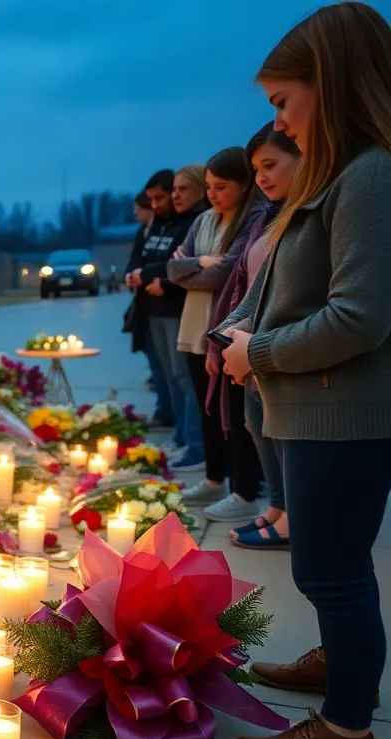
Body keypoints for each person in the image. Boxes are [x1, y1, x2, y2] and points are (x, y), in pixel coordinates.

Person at [222, 1, 391, 739]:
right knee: (332, 565)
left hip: (341, 414)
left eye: (285, 103)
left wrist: (261, 353)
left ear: (332, 83)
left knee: (333, 572)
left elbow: (359, 316)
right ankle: (339, 668)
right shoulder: (341, 176)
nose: (281, 125)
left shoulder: (370, 175)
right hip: (315, 407)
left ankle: (345, 730)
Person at [209, 124, 301, 550]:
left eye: (271, 165)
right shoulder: (272, 214)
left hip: (276, 344)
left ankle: (290, 517)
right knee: (257, 424)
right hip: (250, 341)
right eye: (257, 168)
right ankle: (279, 507)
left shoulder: (300, 215)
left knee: (279, 429)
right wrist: (230, 330)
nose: (263, 177)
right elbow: (252, 284)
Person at [167, 147, 264, 521]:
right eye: (208, 186)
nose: (212, 194)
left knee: (235, 411)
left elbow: (225, 274)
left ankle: (244, 490)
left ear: (243, 185)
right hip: (195, 324)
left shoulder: (252, 219)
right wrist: (197, 264)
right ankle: (213, 479)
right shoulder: (204, 220)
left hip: (228, 326)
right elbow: (172, 269)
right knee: (206, 406)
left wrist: (192, 268)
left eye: (221, 187)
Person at [127, 166, 209, 469]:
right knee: (170, 378)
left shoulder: (190, 223)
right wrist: (135, 273)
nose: (169, 199)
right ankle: (181, 436)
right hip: (153, 311)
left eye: (177, 191)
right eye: (169, 192)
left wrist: (155, 276)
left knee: (184, 378)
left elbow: (180, 264)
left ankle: (195, 444)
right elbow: (145, 257)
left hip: (177, 310)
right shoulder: (159, 224)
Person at [125, 189, 173, 428]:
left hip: (164, 305)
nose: (135, 213)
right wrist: (131, 275)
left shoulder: (164, 230)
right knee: (156, 360)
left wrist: (147, 275)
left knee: (171, 369)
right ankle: (163, 408)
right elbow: (135, 260)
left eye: (138, 207)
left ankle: (167, 412)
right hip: (145, 305)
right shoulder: (143, 233)